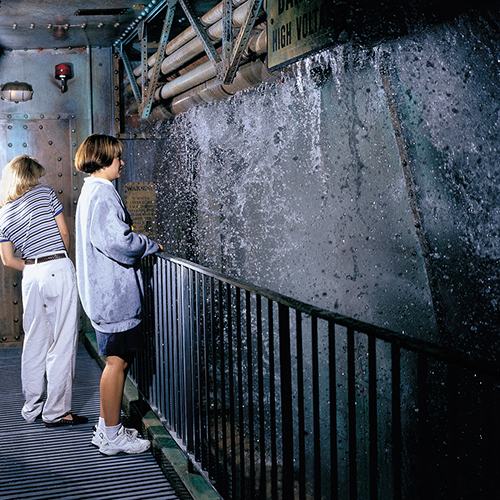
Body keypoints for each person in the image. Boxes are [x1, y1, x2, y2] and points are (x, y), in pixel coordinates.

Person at [74, 134, 162, 456]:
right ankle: (112, 437)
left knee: (115, 363)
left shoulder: (90, 192)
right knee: (117, 364)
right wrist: (149, 245)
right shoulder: (102, 195)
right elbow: (118, 243)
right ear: (102, 160)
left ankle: (106, 426)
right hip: (114, 299)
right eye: (117, 158)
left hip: (103, 297)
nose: (122, 163)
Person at [0, 155, 87, 427]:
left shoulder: (4, 210)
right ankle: (57, 412)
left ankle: (31, 407)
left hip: (31, 275)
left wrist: (32, 265)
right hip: (56, 266)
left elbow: (7, 259)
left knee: (34, 342)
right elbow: (64, 233)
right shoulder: (45, 192)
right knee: (61, 342)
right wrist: (59, 259)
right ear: (31, 175)